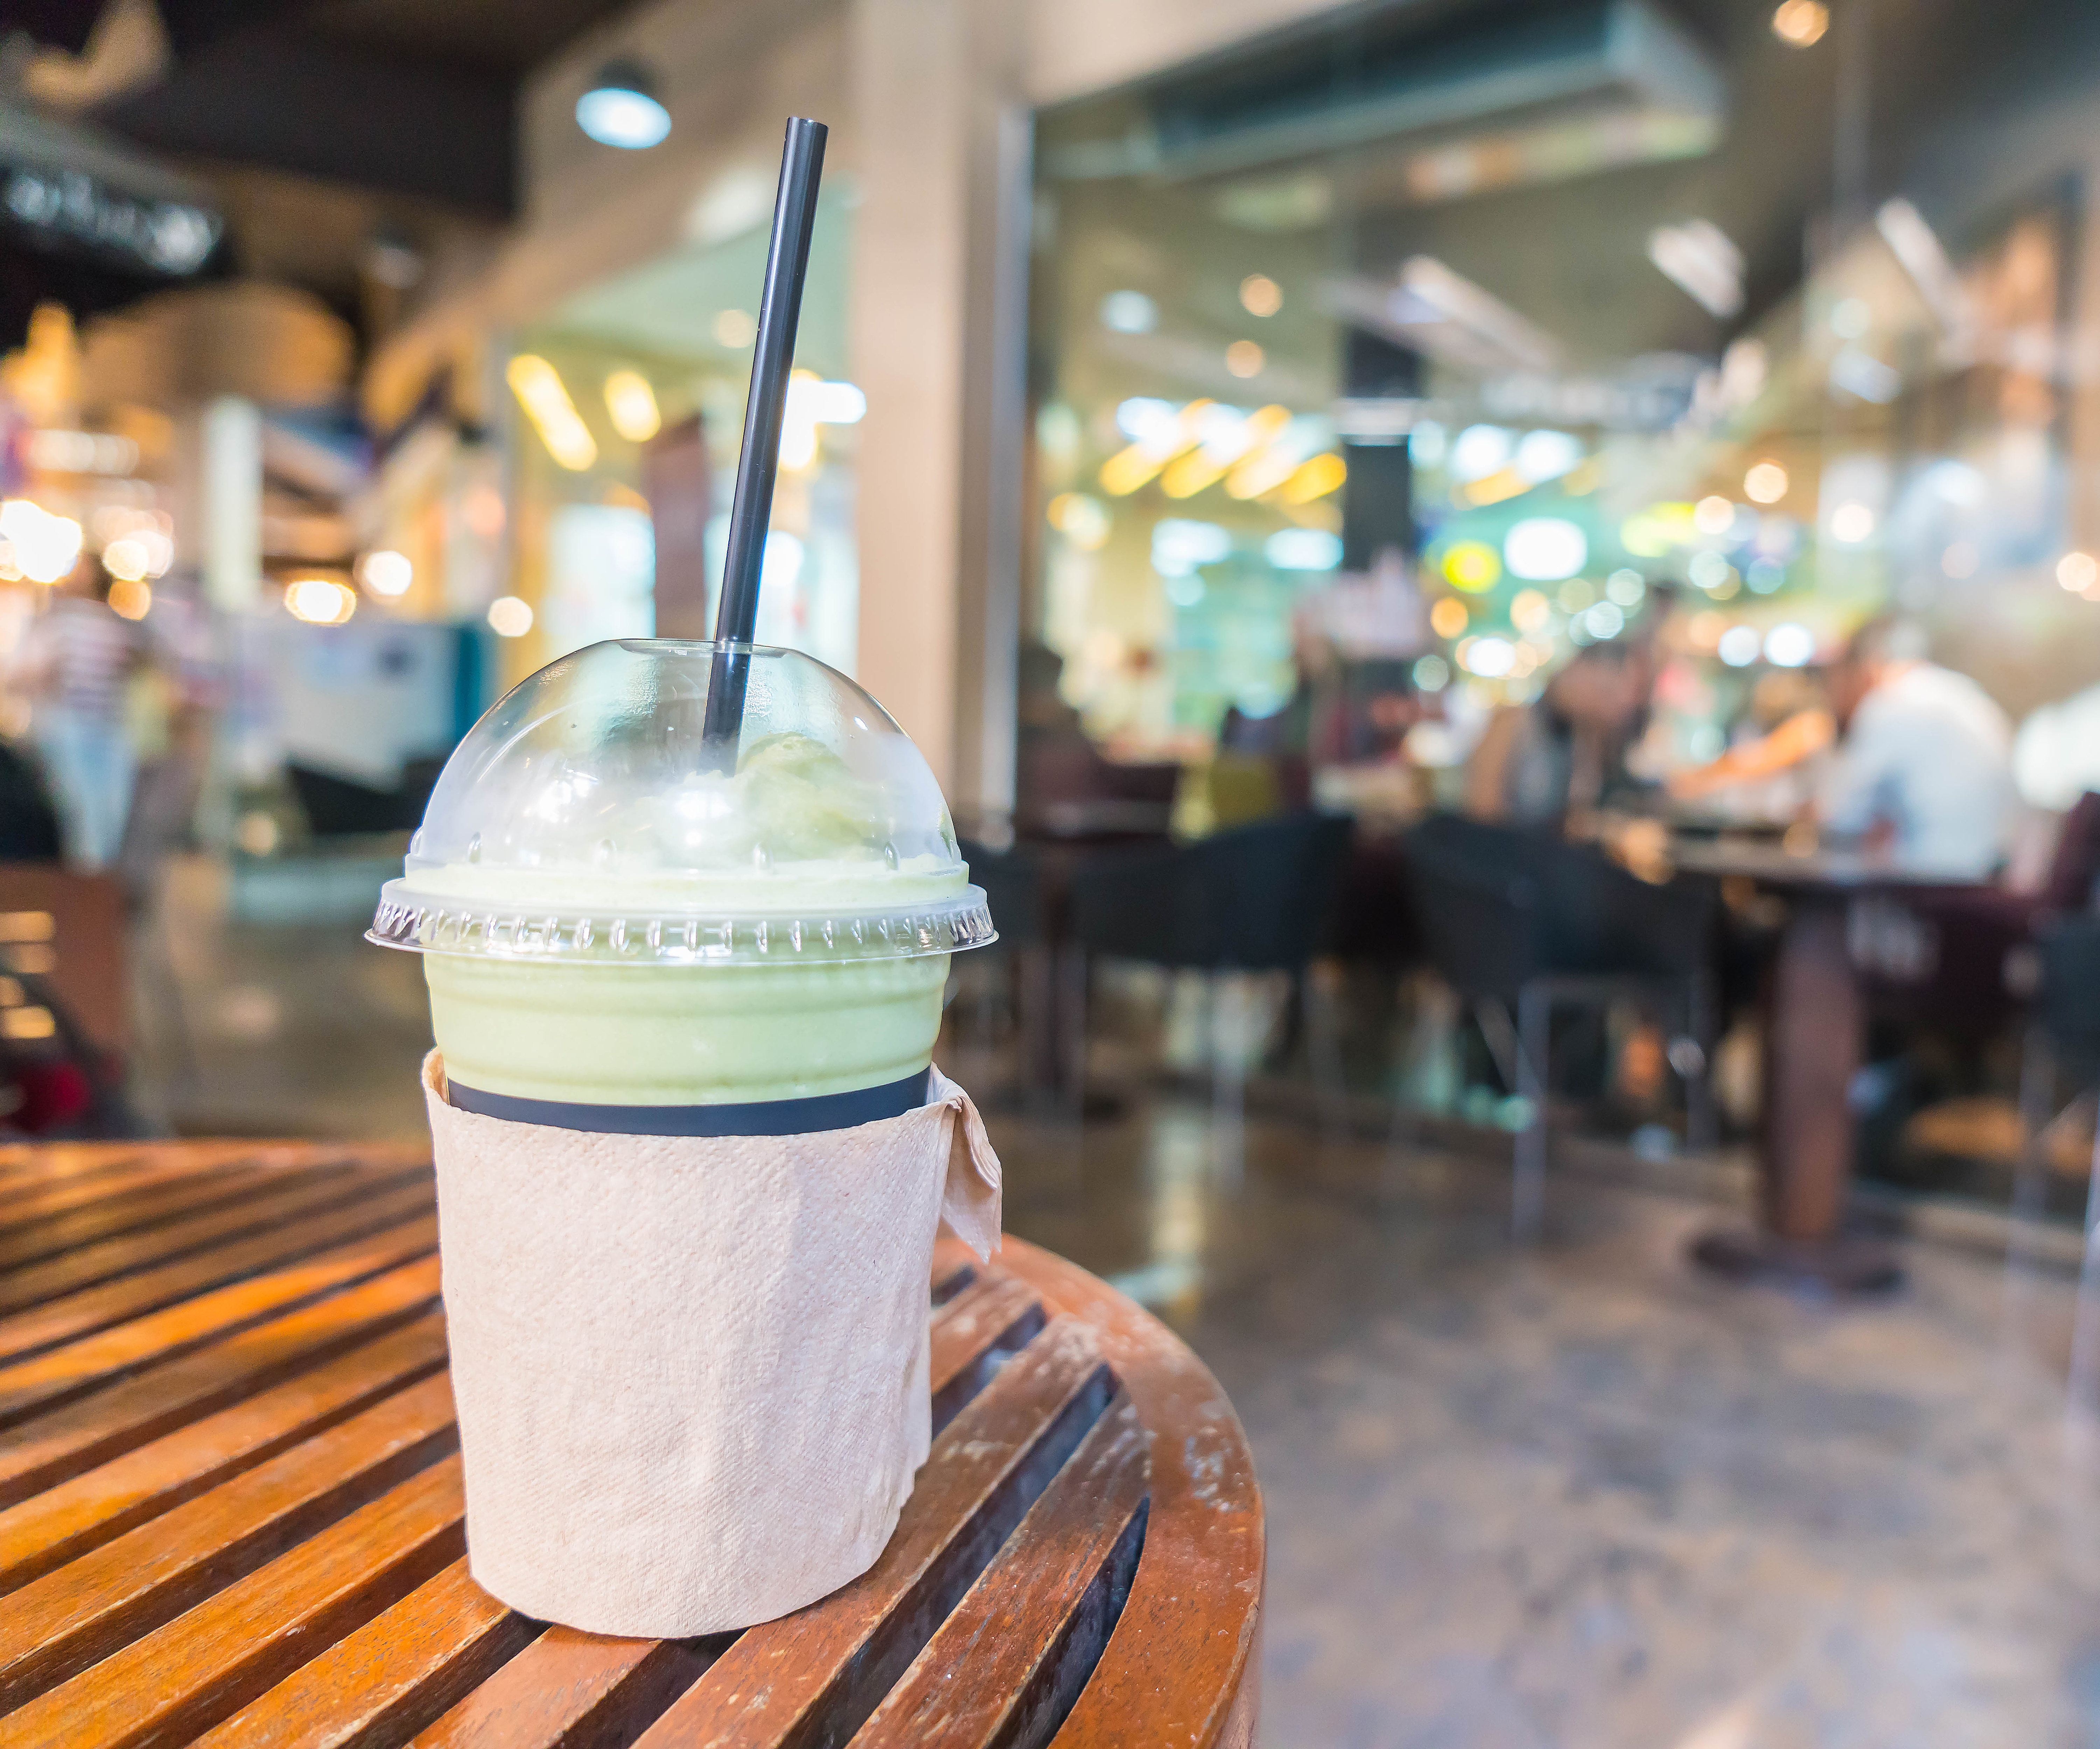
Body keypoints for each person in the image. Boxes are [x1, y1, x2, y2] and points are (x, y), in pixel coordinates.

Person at [1816, 617, 2014, 876]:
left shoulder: (1889, 704)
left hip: (1939, 875)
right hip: (1993, 867)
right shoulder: (1957, 692)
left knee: (1837, 885)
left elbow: (1845, 819)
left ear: (1865, 668)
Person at [8, 556, 148, 869]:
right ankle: (85, 888)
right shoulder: (60, 622)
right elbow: (26, 674)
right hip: (71, 728)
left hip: (104, 728)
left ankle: (94, 886)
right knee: (80, 812)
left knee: (102, 814)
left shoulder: (111, 623)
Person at [1465, 637, 1654, 827]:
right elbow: (1483, 812)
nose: (1620, 708)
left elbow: (1576, 819)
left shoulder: (1583, 738)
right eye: (1609, 692)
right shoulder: (1511, 722)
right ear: (1584, 671)